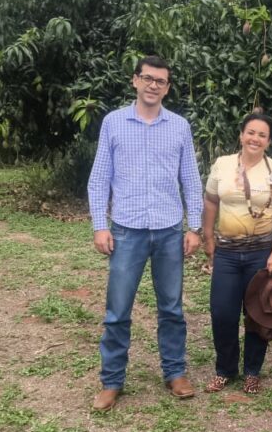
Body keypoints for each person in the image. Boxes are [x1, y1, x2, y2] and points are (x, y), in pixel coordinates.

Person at [87, 55, 203, 411]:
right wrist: (99, 226)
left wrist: (194, 226)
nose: (154, 86)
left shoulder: (179, 126)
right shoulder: (113, 123)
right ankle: (112, 381)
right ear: (135, 80)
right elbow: (99, 178)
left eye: (161, 81)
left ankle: (175, 372)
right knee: (117, 310)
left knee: (171, 308)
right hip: (126, 231)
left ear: (167, 88)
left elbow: (191, 180)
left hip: (169, 230)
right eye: (148, 78)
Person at [202, 112, 272, 395]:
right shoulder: (223, 164)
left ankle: (253, 371)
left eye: (262, 135)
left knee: (258, 313)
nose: (255, 138)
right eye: (251, 132)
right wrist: (207, 238)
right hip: (227, 252)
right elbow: (211, 201)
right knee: (222, 313)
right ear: (241, 135)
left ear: (268, 141)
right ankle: (225, 369)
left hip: (260, 253)